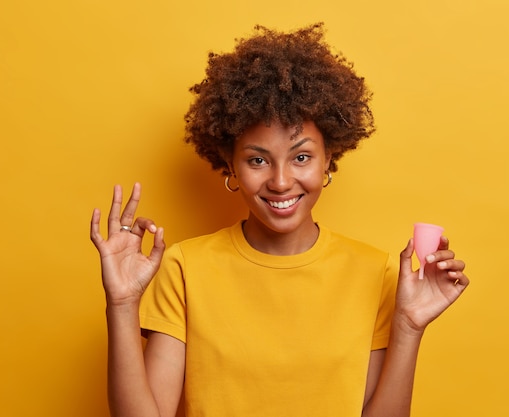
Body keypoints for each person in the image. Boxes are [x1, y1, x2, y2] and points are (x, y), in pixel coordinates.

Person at [90, 23, 469, 417]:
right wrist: (121, 304)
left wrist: (408, 327)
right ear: (230, 167)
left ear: (329, 159)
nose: (282, 181)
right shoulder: (184, 269)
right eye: (257, 160)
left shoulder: (380, 274)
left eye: (301, 157)